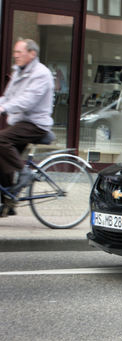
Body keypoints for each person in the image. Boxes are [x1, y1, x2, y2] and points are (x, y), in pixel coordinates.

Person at [0, 39, 54, 215]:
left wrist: (4, 108)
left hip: (36, 123)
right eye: (14, 52)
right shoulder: (18, 72)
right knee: (3, 157)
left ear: (32, 54)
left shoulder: (41, 74)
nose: (16, 55)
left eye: (19, 52)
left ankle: (25, 173)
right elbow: (8, 97)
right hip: (20, 122)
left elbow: (27, 101)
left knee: (1, 140)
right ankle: (9, 201)